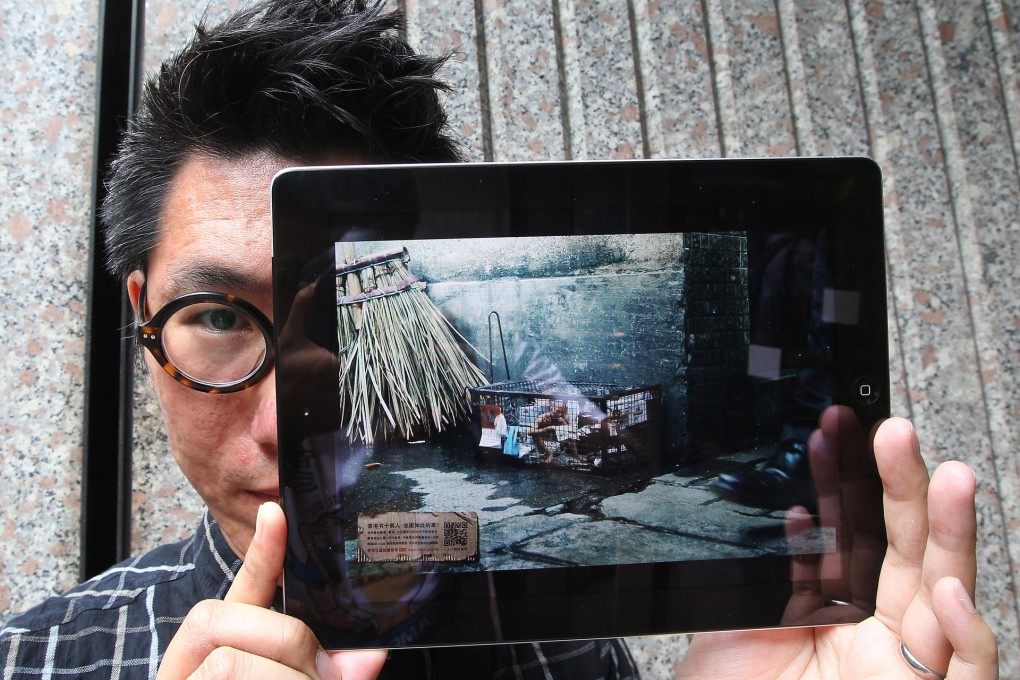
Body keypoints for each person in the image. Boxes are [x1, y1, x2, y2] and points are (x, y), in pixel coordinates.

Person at [0, 1, 998, 679]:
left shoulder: (570, 659)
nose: (281, 424)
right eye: (217, 316)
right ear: (142, 315)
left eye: (328, 322)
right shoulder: (40, 657)